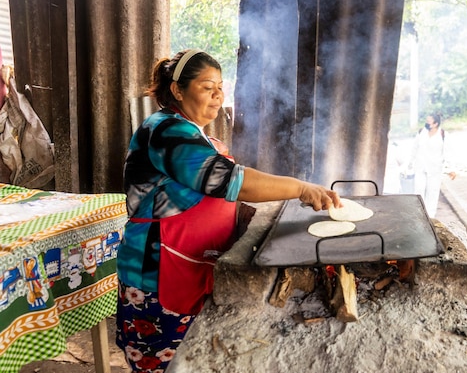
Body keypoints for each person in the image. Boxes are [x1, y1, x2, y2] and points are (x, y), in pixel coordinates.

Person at [115, 49, 342, 372]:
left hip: (189, 266)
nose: (218, 95)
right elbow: (227, 181)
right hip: (156, 273)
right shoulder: (166, 131)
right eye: (207, 86)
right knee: (162, 366)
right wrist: (301, 188)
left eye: (220, 86)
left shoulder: (198, 136)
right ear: (178, 90)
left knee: (190, 361)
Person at [403, 113, 455, 218]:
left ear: (435, 124)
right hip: (420, 166)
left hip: (435, 168)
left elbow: (447, 153)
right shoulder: (421, 132)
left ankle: (430, 216)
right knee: (419, 189)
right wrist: (409, 163)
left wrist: (450, 169)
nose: (426, 123)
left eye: (429, 122)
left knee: (433, 191)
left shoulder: (443, 135)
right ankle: (419, 214)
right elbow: (414, 148)